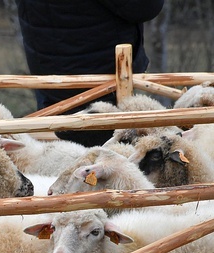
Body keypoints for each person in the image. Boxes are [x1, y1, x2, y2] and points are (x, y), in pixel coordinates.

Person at [16, 0, 165, 146]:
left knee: (63, 153)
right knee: (108, 157)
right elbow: (144, 7)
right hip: (102, 81)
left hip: (50, 73)